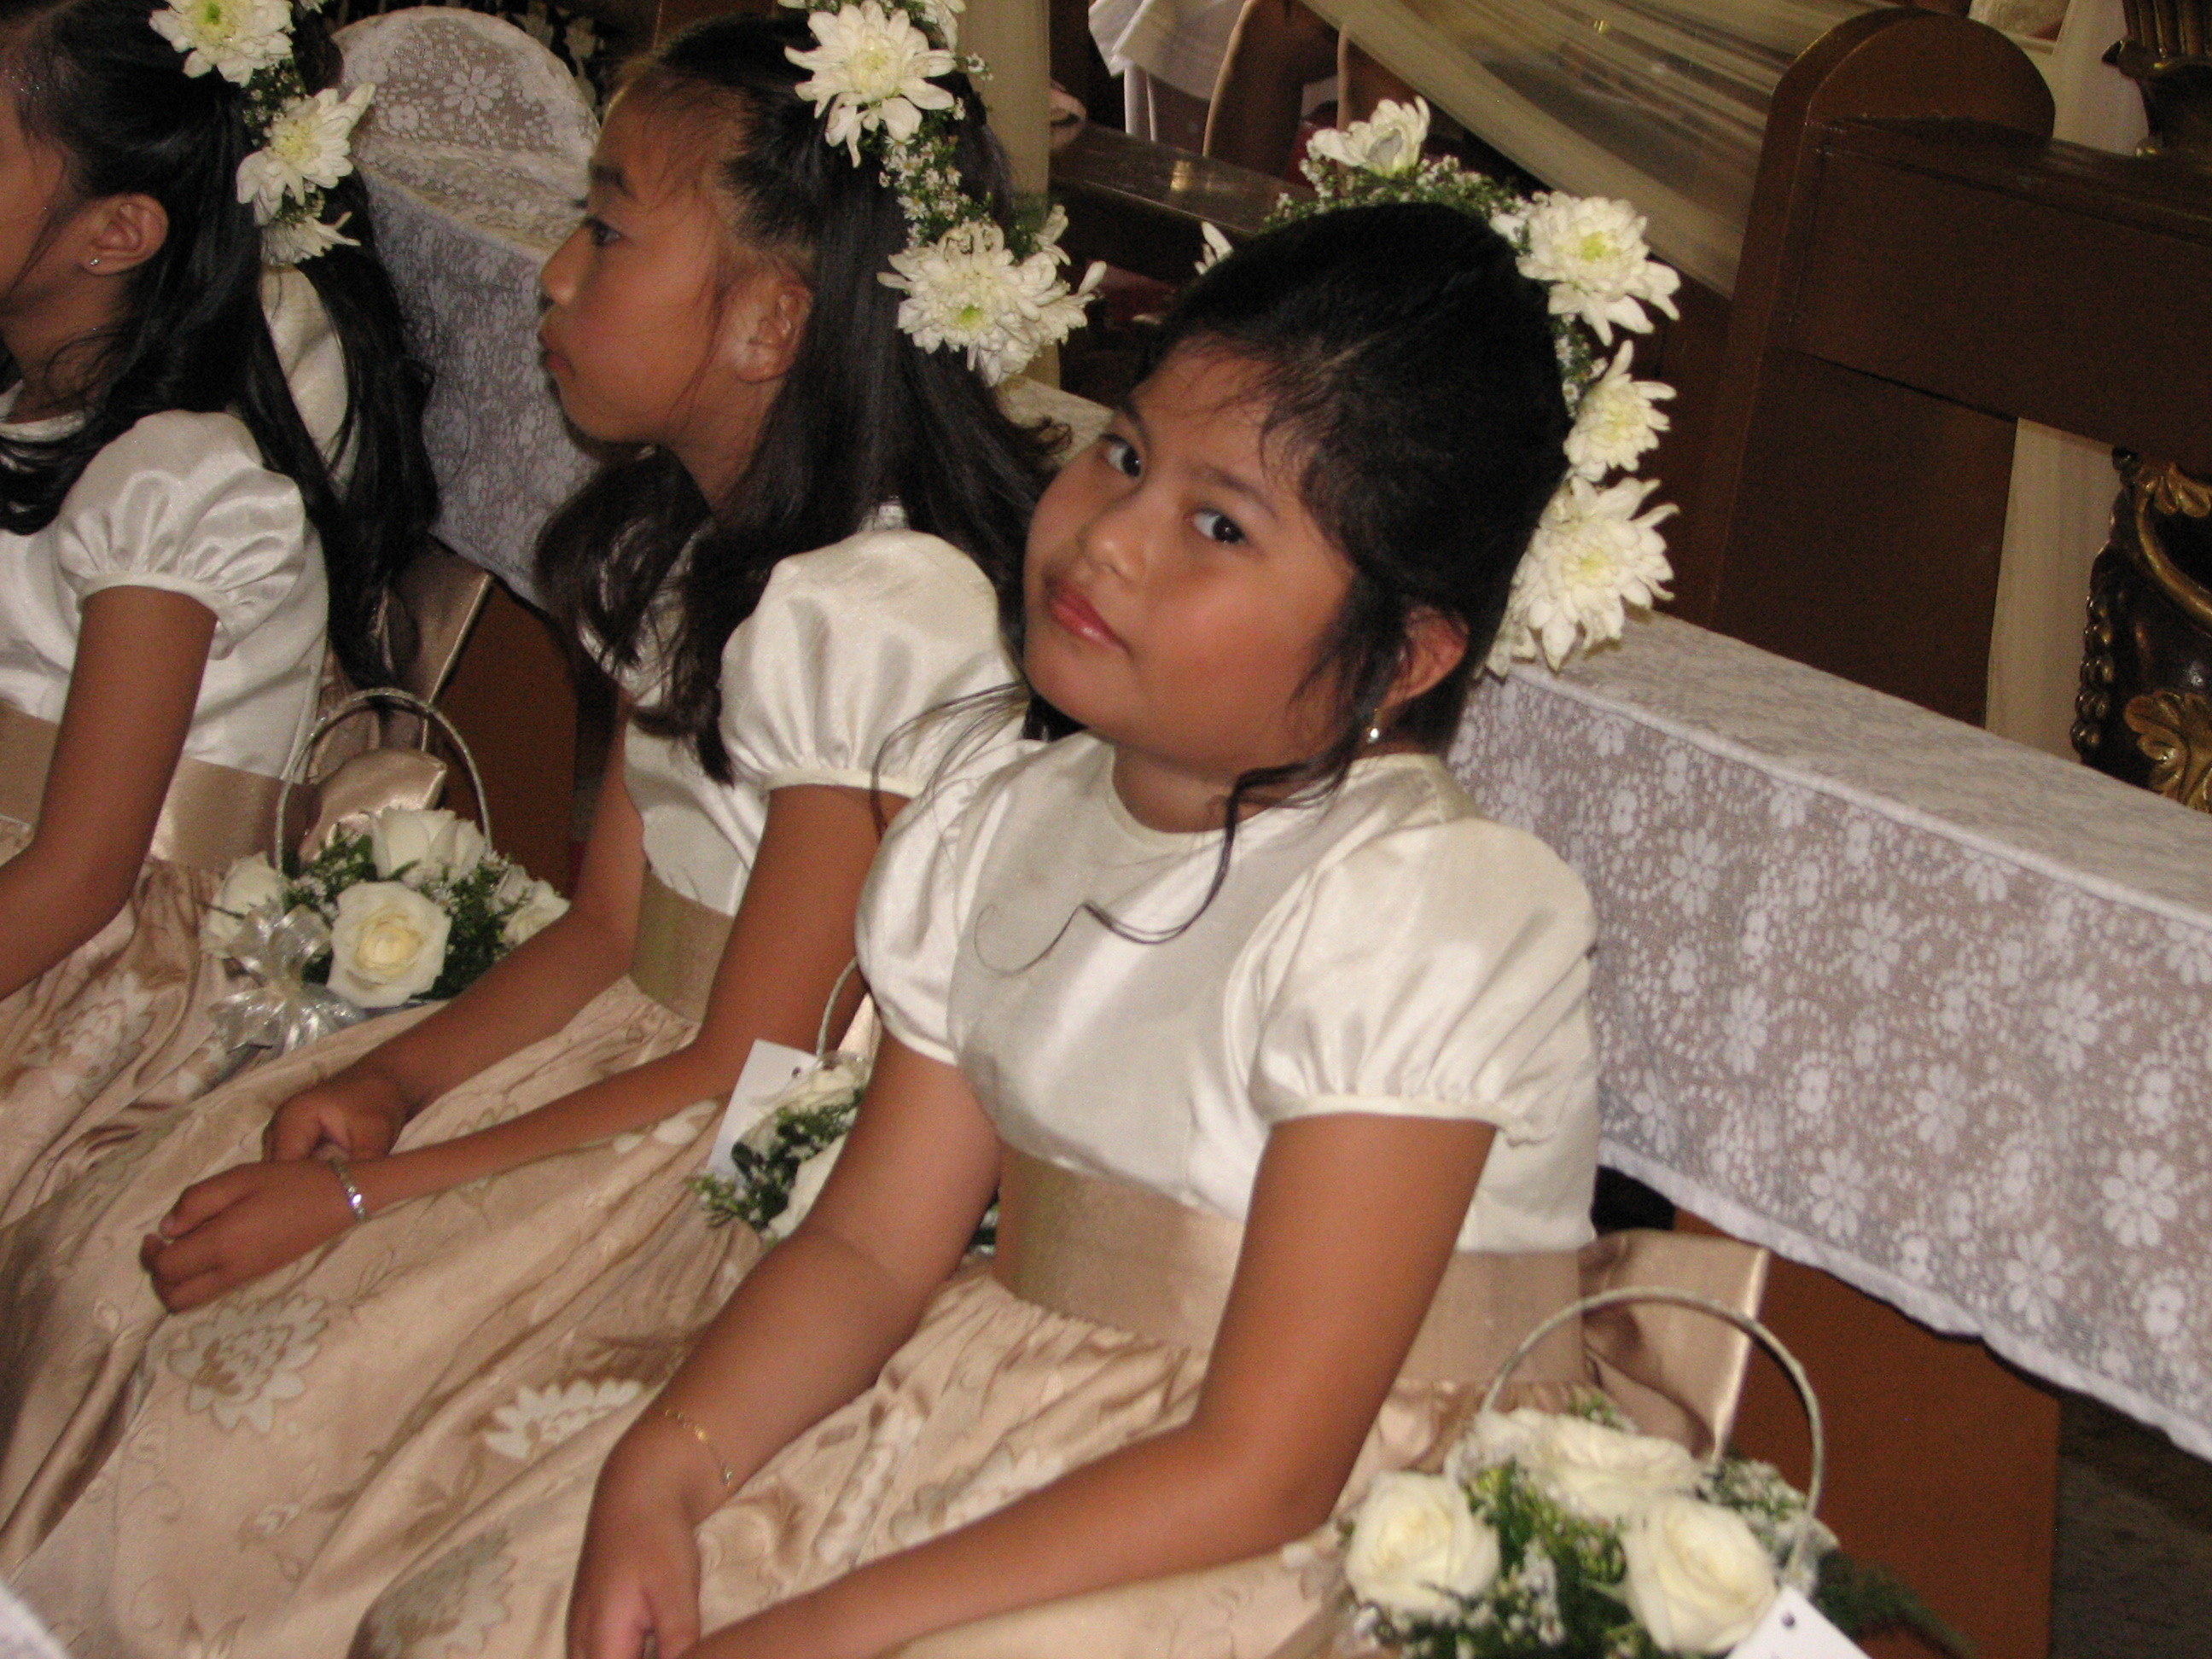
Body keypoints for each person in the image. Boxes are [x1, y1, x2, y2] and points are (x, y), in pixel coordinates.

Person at [352, 197, 1620, 1659]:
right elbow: (870, 1250)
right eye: (1125, 455)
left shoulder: (1415, 909)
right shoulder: (996, 822)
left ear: (1403, 654)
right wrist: (667, 1467)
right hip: (1016, 1399)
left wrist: (828, 1629)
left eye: (1219, 524)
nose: (1112, 541)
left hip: (1316, 1527)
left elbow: (1267, 1470)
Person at [0, 9, 1085, 1652]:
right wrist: (393, 1083)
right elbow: (605, 932)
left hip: (725, 1154)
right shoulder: (690, 549)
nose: (555, 277)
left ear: (769, 322)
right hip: (629, 1054)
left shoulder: (877, 610)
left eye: (610, 232)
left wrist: (377, 1202)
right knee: (128, 1258)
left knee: (254, 1416)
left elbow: (754, 1057)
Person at [0, 0, 435, 1220]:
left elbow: (81, 876)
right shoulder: (31, 415)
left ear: (116, 232)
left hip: (94, 967)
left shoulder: (169, 480)